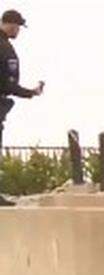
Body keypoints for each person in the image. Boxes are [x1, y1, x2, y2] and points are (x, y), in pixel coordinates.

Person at [0, 9, 43, 207]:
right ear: (11, 24)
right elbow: (8, 84)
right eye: (17, 27)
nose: (18, 31)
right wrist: (30, 92)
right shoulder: (5, 49)